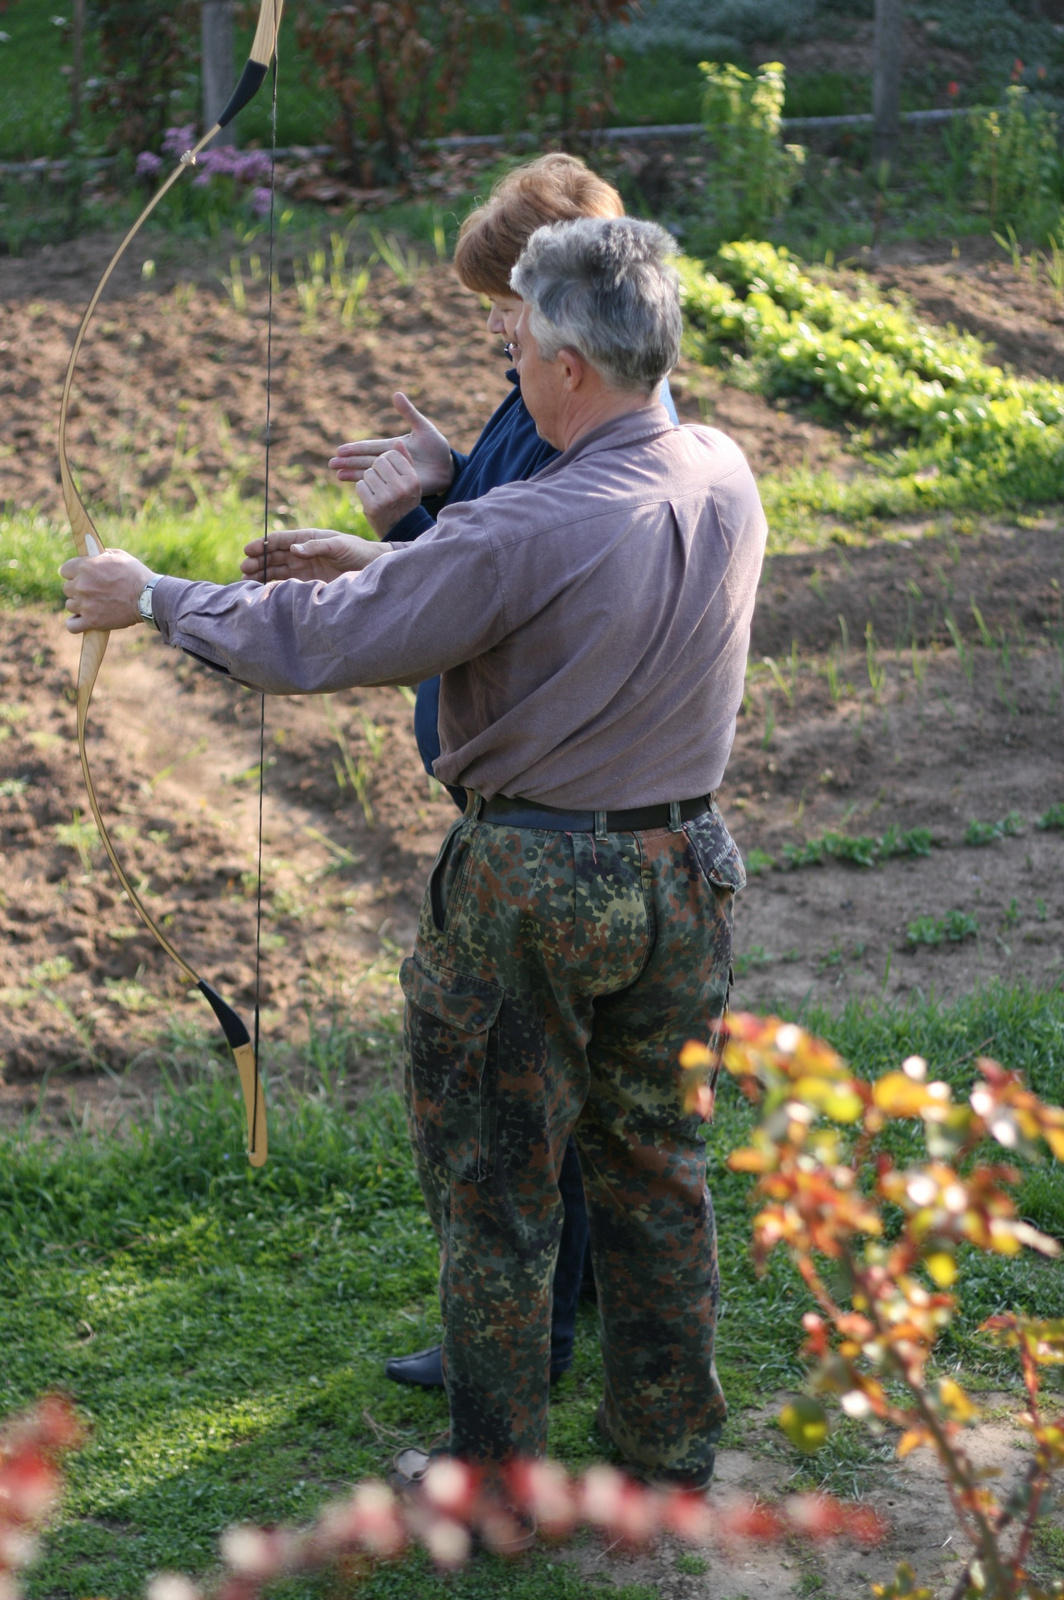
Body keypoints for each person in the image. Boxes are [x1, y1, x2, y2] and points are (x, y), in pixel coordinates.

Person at [61, 216, 767, 1499]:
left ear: (565, 367)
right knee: (655, 1164)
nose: (504, 361)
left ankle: (492, 1492)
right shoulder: (721, 467)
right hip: (688, 872)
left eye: (513, 343)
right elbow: (508, 605)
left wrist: (152, 596)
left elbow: (323, 641)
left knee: (499, 1190)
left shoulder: (524, 525)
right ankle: (668, 1450)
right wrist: (405, 557)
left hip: (535, 891)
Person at [240, 154, 681, 1395]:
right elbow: (484, 550)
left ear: (569, 311)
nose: (498, 331)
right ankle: (574, 1322)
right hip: (584, 823)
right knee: (580, 1105)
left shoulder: (579, 427)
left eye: (509, 307)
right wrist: (430, 497)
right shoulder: (555, 403)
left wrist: (389, 548)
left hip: (547, 832)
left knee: (513, 1117)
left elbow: (493, 600)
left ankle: (520, 1353)